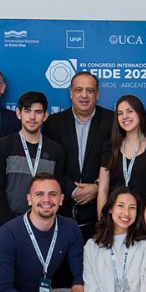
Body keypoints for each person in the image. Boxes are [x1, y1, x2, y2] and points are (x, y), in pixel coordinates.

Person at [43, 70, 114, 238]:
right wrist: (73, 190)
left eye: (89, 90)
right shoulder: (53, 123)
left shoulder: (112, 121)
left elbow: (118, 162)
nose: (84, 95)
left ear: (97, 94)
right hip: (63, 208)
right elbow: (49, 165)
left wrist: (98, 187)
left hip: (100, 211)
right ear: (70, 93)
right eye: (78, 90)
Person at [0, 91, 66, 226]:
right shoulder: (4, 146)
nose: (32, 117)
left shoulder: (55, 150)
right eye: (27, 111)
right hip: (8, 224)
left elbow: (58, 190)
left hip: (44, 224)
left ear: (45, 116)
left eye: (38, 112)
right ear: (19, 114)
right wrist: (10, 223)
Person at [96, 94, 146, 227]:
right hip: (113, 219)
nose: (124, 116)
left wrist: (142, 226)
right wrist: (104, 224)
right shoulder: (110, 146)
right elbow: (103, 189)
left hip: (141, 218)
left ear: (140, 114)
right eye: (120, 113)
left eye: (130, 111)